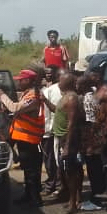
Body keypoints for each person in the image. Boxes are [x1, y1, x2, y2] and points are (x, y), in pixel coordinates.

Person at [0, 69, 44, 207]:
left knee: (31, 171)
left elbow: (15, 108)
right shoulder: (28, 94)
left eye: (21, 80)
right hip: (24, 138)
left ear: (28, 80)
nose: (18, 82)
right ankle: (28, 196)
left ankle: (34, 199)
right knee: (27, 169)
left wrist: (2, 95)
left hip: (30, 139)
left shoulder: (33, 96)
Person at [52, 72, 84, 214]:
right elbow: (58, 112)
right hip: (63, 138)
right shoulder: (64, 97)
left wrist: (67, 146)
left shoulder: (71, 98)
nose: (58, 82)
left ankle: (72, 204)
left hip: (68, 139)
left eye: (60, 80)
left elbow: (71, 124)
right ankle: (74, 199)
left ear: (67, 83)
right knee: (69, 171)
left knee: (70, 172)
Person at [80, 71, 107, 206]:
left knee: (96, 165)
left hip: (97, 133)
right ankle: (97, 193)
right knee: (92, 164)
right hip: (93, 132)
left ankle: (99, 196)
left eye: (92, 75)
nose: (90, 78)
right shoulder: (95, 91)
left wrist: (104, 133)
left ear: (98, 77)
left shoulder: (105, 91)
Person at [40, 67, 62, 196]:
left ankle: (54, 185)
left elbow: (47, 113)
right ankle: (55, 184)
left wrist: (46, 130)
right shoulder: (51, 90)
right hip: (55, 130)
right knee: (54, 160)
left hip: (53, 131)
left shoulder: (49, 91)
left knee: (53, 160)